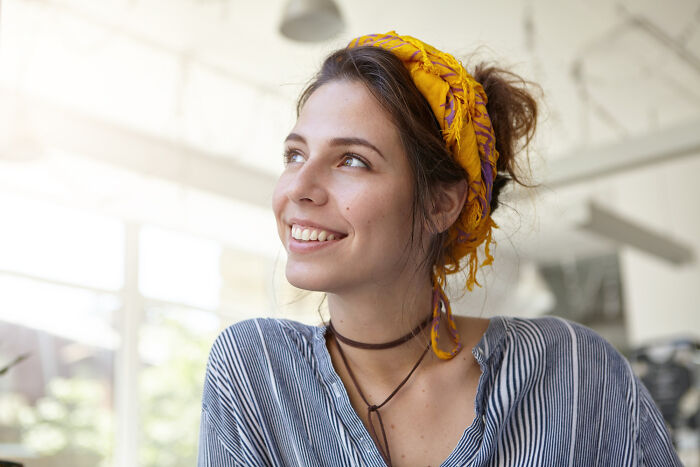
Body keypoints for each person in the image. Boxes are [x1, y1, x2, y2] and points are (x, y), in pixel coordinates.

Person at [198, 31, 680, 466]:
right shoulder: (256, 371)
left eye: (351, 160)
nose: (298, 188)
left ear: (440, 203)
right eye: (295, 154)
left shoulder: (572, 371)